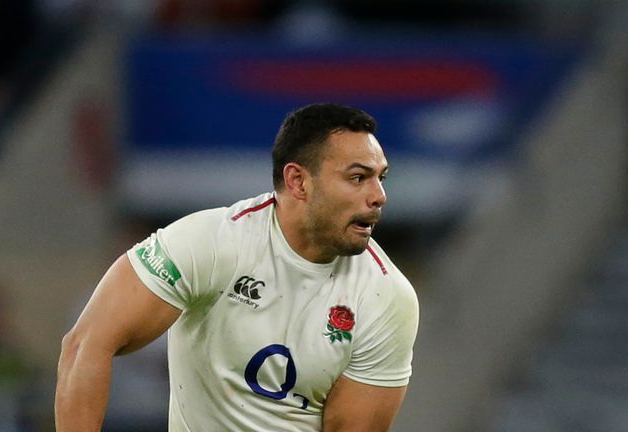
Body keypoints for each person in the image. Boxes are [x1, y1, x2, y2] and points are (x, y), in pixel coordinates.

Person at [55, 103, 420, 431]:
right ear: (298, 181)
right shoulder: (210, 242)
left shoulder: (386, 296)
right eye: (358, 177)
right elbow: (86, 344)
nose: (379, 196)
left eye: (380, 178)